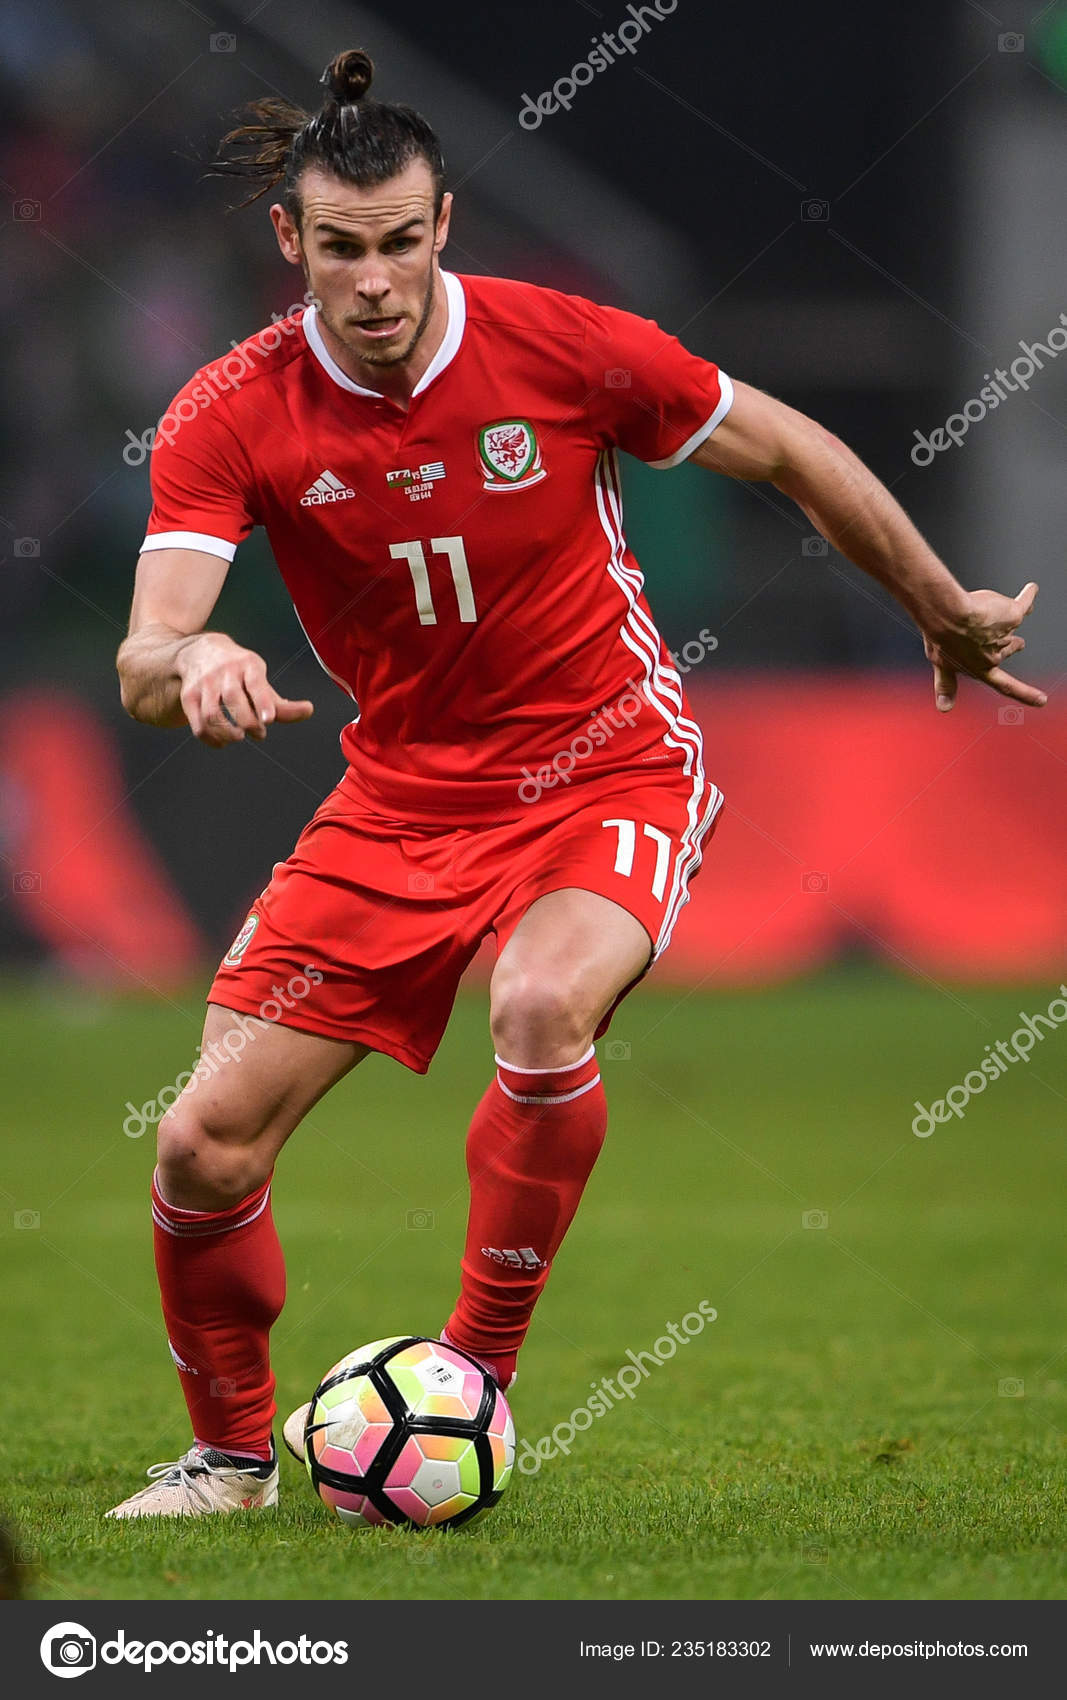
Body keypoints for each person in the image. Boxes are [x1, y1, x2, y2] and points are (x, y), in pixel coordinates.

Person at [107, 48, 1043, 1517]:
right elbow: (146, 647)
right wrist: (196, 658)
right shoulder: (231, 410)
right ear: (289, 242)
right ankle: (228, 1462)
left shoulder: (565, 347)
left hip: (607, 757)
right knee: (202, 1144)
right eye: (340, 247)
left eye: (401, 241)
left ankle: (474, 1384)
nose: (373, 280)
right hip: (400, 798)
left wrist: (936, 605)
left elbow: (789, 446)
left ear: (444, 224)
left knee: (540, 1004)